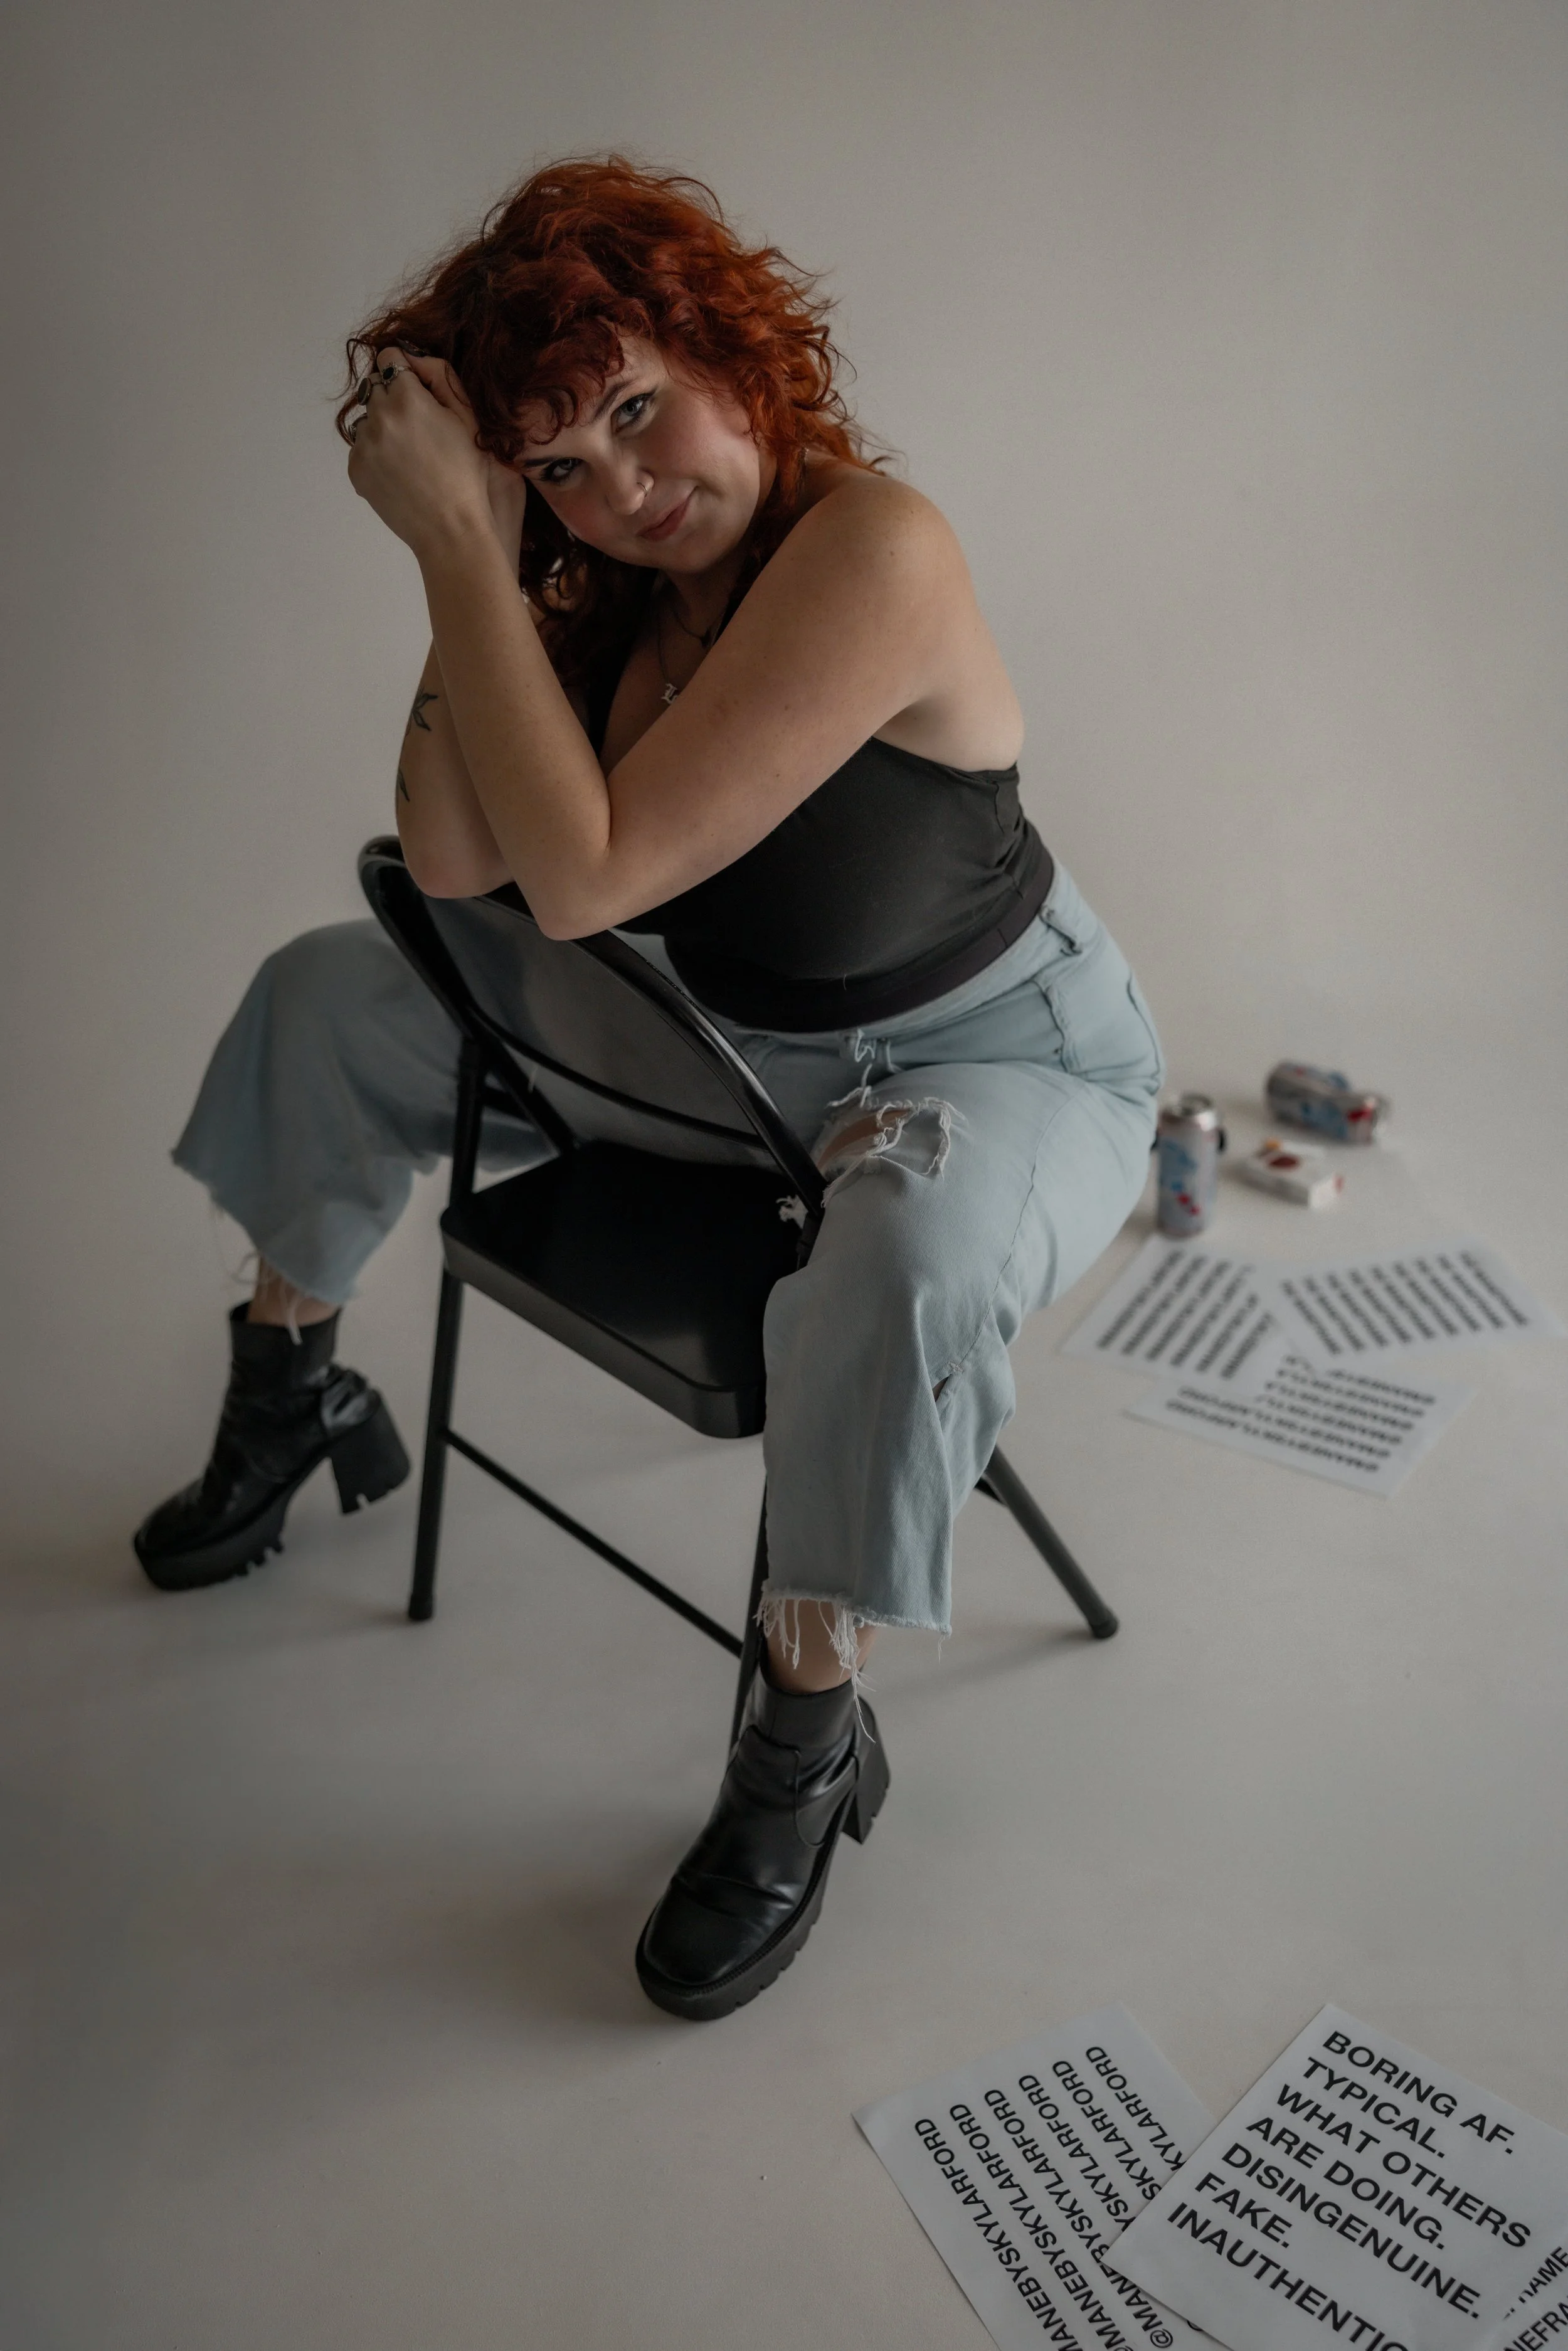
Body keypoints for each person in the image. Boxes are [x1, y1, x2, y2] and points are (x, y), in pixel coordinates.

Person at [135, 159, 1164, 2020]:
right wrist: (491, 572)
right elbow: (453, 865)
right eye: (556, 466)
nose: (623, 487)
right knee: (334, 991)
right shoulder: (595, 587)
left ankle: (801, 1732)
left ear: (724, 340)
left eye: (633, 406)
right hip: (704, 1049)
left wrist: (464, 547)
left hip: (984, 1058)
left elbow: (586, 874)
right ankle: (290, 1383)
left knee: (907, 1262)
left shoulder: (874, 548)